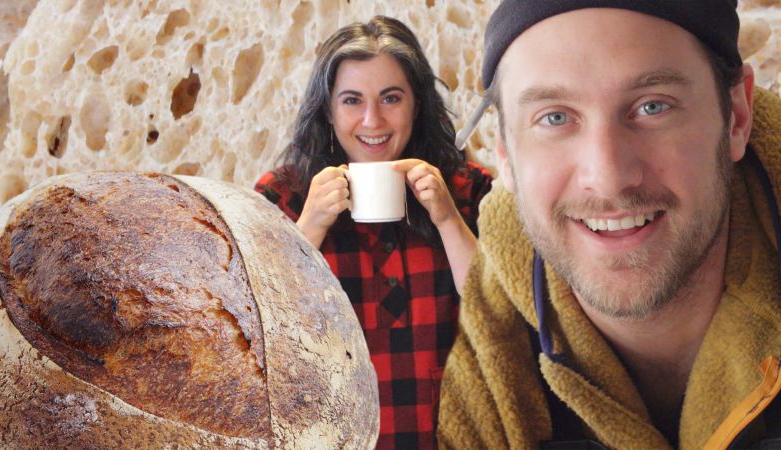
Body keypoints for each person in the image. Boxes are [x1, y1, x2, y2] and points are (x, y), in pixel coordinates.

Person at [438, 1, 781, 449]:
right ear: (505, 154)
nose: (608, 178)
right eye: (555, 117)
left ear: (736, 117)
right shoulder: (487, 365)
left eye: (653, 106)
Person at [254, 15, 492, 449]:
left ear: (417, 104)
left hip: (453, 435)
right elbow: (256, 333)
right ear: (327, 109)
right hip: (334, 438)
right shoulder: (284, 196)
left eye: (391, 98)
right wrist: (308, 229)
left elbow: (496, 311)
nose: (372, 120)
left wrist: (447, 218)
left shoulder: (466, 188)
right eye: (351, 100)